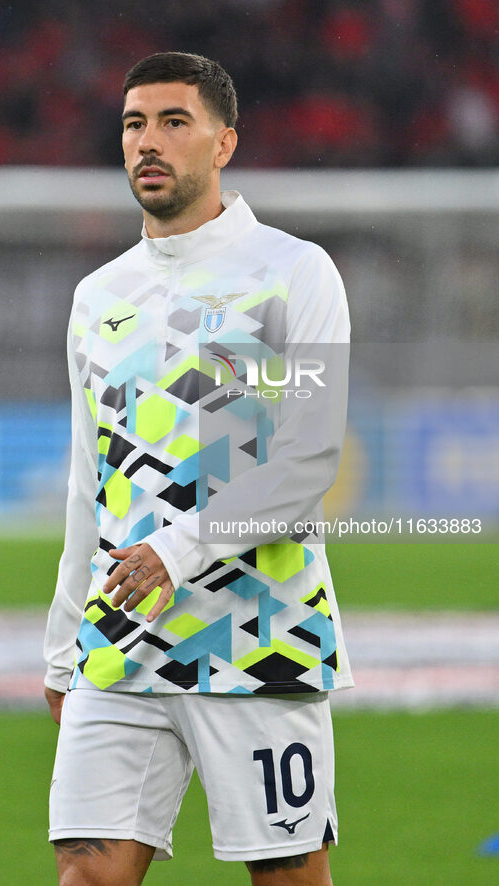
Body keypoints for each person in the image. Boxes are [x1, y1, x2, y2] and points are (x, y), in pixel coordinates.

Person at [43, 51, 353, 886]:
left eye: (174, 122)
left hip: (258, 633)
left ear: (223, 144)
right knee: (86, 872)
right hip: (122, 635)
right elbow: (90, 481)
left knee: (287, 875)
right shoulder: (97, 296)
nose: (149, 142)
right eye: (134, 123)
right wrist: (61, 645)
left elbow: (307, 459)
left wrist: (174, 553)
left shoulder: (293, 273)